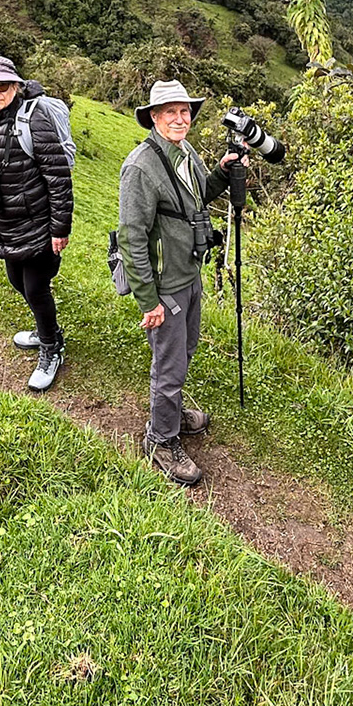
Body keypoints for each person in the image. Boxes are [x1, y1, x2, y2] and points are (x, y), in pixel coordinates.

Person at [117, 79, 240, 486]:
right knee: (168, 366)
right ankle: (161, 439)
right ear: (154, 117)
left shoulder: (186, 152)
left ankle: (168, 415)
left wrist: (221, 172)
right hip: (165, 284)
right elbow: (132, 238)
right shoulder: (140, 167)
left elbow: (199, 195)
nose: (179, 118)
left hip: (188, 273)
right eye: (170, 111)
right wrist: (148, 301)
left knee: (184, 352)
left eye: (185, 111)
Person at [0, 56, 73, 391]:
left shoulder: (34, 119)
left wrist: (60, 228)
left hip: (38, 222)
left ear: (15, 86)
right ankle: (47, 330)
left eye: (2, 85)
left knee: (35, 287)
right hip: (4, 221)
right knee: (16, 279)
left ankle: (51, 348)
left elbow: (58, 177)